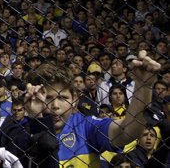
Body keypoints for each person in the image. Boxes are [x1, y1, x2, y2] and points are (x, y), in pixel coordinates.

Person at [24, 54, 161, 167]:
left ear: (75, 99)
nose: (55, 105)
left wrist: (144, 87)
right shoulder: (20, 129)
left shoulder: (86, 126)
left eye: (62, 97)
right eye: (47, 97)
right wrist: (37, 119)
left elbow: (128, 131)